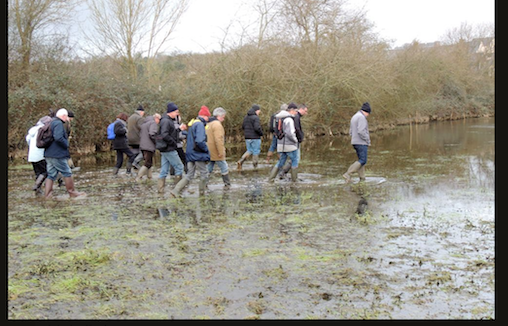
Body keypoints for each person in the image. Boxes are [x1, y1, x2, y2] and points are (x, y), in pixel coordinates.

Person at [43, 108, 86, 198]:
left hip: (48, 153)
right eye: (67, 117)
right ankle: (72, 192)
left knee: (51, 174)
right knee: (67, 172)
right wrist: (66, 144)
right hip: (57, 154)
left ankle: (48, 195)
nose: (67, 119)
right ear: (63, 116)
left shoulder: (50, 122)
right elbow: (58, 137)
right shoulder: (58, 123)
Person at [171, 106, 211, 197]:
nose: (208, 119)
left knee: (189, 175)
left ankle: (175, 191)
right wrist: (206, 150)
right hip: (198, 154)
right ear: (204, 116)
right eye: (207, 116)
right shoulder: (200, 125)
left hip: (190, 154)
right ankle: (202, 194)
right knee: (204, 174)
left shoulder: (193, 124)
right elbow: (200, 141)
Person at [157, 102, 186, 193]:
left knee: (164, 170)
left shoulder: (166, 120)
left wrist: (179, 130)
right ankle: (177, 190)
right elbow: (165, 135)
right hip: (168, 148)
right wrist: (173, 143)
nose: (177, 114)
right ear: (171, 112)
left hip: (165, 148)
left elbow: (170, 133)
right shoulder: (166, 121)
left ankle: (160, 191)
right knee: (180, 167)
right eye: (176, 112)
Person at [268, 104, 299, 182]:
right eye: (295, 111)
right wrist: (296, 140)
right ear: (291, 110)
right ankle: (294, 180)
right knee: (294, 160)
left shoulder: (277, 118)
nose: (296, 113)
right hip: (290, 144)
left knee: (280, 161)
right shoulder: (289, 119)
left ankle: (271, 179)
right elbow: (290, 133)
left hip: (280, 144)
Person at [342, 102, 371, 183]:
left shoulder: (354, 116)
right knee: (363, 160)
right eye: (368, 113)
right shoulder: (361, 118)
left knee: (361, 160)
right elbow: (361, 131)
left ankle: (362, 177)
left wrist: (354, 138)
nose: (368, 115)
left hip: (355, 142)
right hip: (361, 142)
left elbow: (351, 131)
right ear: (366, 111)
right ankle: (348, 173)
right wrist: (367, 140)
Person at [279, 103, 308, 178]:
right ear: (301, 109)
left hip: (287, 142)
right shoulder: (296, 117)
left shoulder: (295, 117)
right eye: (305, 111)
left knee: (291, 158)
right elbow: (296, 129)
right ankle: (290, 176)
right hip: (294, 141)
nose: (306, 113)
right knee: (296, 159)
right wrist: (299, 138)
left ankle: (283, 173)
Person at [26, 115, 52, 194]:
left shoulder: (32, 130)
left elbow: (27, 140)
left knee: (38, 173)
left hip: (31, 154)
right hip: (40, 154)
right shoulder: (43, 130)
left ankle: (38, 190)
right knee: (45, 172)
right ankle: (37, 186)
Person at [206, 107, 231, 189]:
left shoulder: (208, 124)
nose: (223, 119)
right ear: (219, 116)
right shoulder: (217, 125)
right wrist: (221, 152)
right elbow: (218, 139)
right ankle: (227, 184)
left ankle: (203, 183)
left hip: (208, 149)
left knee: (209, 167)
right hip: (215, 150)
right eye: (223, 117)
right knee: (224, 166)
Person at [135, 113, 161, 182]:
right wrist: (157, 141)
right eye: (159, 119)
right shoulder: (153, 123)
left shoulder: (144, 123)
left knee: (149, 162)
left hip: (143, 145)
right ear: (156, 118)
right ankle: (139, 177)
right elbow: (152, 134)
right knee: (147, 163)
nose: (159, 121)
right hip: (149, 146)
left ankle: (149, 177)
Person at [237, 104, 263, 170]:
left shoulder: (246, 117)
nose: (259, 112)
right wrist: (261, 133)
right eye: (259, 111)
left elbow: (243, 126)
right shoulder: (256, 117)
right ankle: (255, 166)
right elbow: (257, 128)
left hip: (247, 137)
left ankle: (241, 161)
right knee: (256, 151)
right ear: (256, 111)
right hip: (255, 137)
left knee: (249, 150)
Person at [169, 111, 188, 176]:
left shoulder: (172, 123)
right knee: (184, 159)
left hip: (174, 145)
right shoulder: (176, 125)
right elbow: (178, 135)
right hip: (178, 145)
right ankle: (186, 172)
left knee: (173, 161)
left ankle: (172, 173)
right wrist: (185, 136)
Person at [127, 105, 146, 169]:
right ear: (141, 112)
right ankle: (135, 163)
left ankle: (129, 170)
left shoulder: (130, 117)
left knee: (133, 155)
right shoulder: (139, 118)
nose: (143, 114)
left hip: (130, 139)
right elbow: (142, 128)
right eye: (143, 113)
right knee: (144, 152)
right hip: (137, 139)